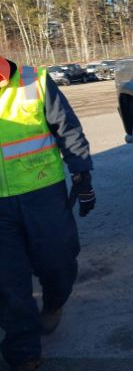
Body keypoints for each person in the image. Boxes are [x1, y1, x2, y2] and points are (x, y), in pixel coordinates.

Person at [0, 56, 96, 371]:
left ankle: (54, 302)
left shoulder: (34, 81)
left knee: (59, 263)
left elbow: (67, 129)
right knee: (9, 284)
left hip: (43, 194)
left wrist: (82, 174)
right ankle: (25, 354)